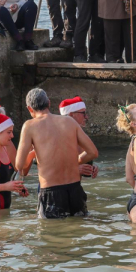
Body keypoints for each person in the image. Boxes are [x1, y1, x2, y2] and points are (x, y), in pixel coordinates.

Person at [15, 88, 98, 219]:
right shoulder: (70, 122)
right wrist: (74, 163)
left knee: (52, 236)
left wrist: (32, 153)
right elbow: (92, 152)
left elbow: (19, 165)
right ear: (48, 103)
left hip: (51, 193)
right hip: (75, 190)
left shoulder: (29, 126)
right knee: (78, 234)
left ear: (29, 109)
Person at [59, 96, 99, 178]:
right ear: (71, 115)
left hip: (73, 186)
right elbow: (49, 167)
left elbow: (78, 162)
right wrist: (75, 169)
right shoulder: (57, 136)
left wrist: (91, 168)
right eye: (83, 113)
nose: (86, 117)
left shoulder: (80, 136)